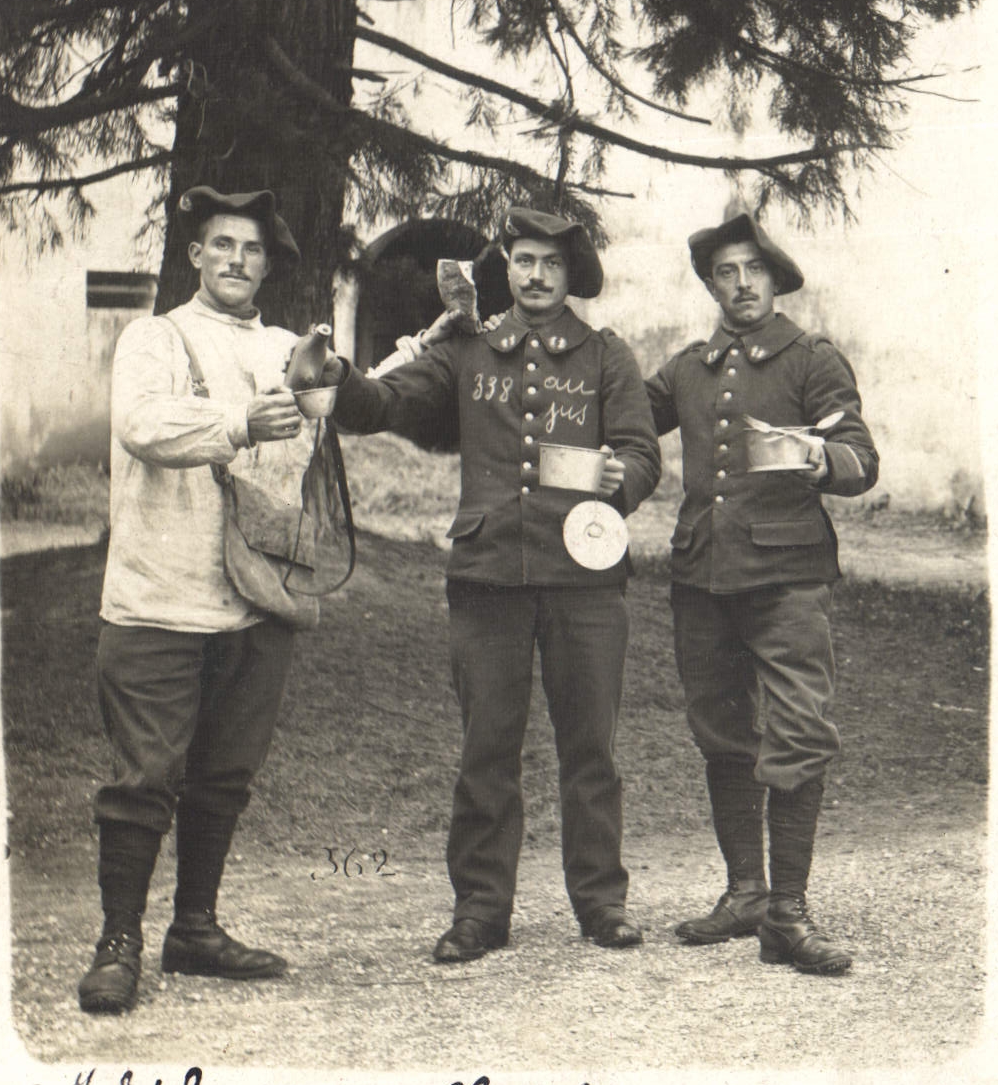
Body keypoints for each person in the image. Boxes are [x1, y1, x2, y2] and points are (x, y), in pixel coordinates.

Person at [321, 208, 662, 962]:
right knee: (486, 747)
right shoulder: (467, 353)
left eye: (550, 262)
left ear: (572, 275)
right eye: (522, 260)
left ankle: (602, 902)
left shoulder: (607, 356)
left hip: (586, 582)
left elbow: (643, 452)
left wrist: (622, 476)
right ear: (504, 268)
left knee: (591, 748)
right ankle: (480, 908)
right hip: (487, 578)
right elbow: (386, 402)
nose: (535, 275)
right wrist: (339, 378)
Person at [78, 185, 314, 1015]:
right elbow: (143, 425)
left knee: (223, 777)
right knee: (144, 778)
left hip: (255, 598)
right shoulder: (154, 336)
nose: (237, 262)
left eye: (252, 251)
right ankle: (119, 943)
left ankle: (195, 929)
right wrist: (244, 421)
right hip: (158, 598)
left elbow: (328, 424)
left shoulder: (287, 346)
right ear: (196, 255)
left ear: (267, 264)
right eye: (223, 246)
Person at [645, 211, 879, 975]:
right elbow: (622, 418)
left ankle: (787, 911)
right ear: (711, 283)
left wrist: (822, 458)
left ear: (775, 278)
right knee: (721, 733)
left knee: (800, 731)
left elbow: (860, 454)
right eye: (725, 272)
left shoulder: (811, 358)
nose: (740, 284)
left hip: (787, 580)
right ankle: (745, 891)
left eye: (753, 270)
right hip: (701, 579)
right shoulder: (687, 367)